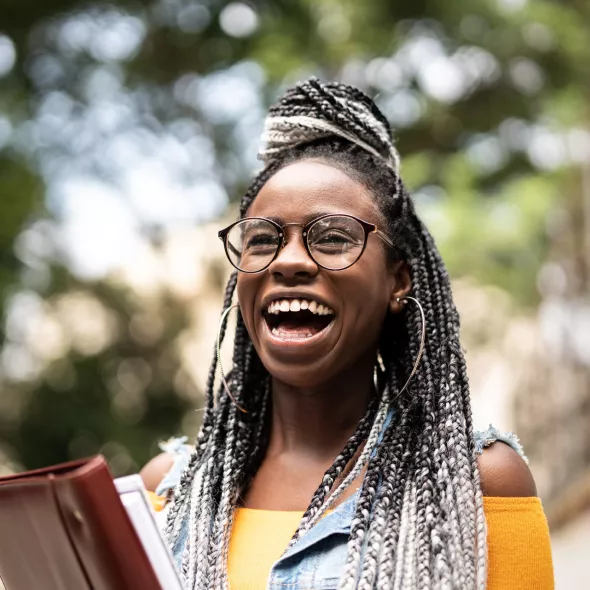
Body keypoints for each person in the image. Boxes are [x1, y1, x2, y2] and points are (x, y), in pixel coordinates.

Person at [142, 78, 554, 589]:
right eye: (263, 239)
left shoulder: (482, 484)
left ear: (398, 281)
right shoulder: (165, 490)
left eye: (333, 237)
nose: (288, 260)